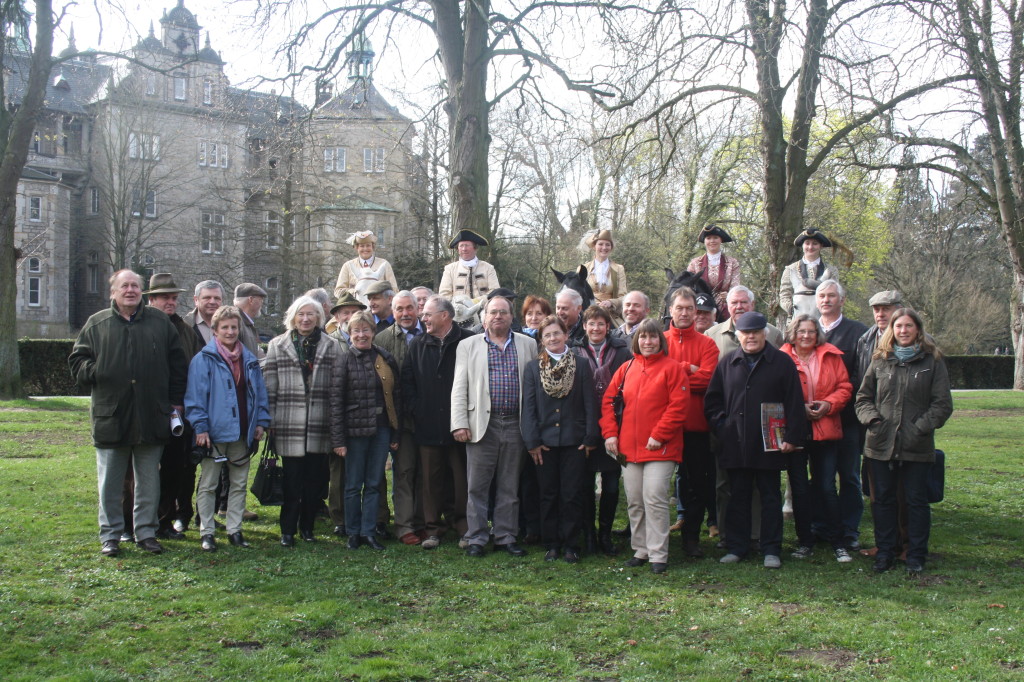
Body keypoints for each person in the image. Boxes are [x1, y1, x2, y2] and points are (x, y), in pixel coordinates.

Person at [69, 269, 189, 557]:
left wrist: (175, 402)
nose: (131, 291)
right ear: (113, 292)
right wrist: (99, 370)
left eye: (135, 286)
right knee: (110, 482)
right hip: (112, 416)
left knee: (149, 480)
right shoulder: (97, 324)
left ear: (141, 292)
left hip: (152, 415)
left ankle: (145, 533)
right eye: (124, 286)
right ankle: (110, 535)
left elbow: (177, 364)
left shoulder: (160, 323)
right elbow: (77, 362)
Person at [704, 311, 808, 569]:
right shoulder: (728, 362)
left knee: (770, 497)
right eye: (745, 333)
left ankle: (770, 548)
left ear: (765, 334)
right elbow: (712, 401)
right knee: (738, 495)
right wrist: (723, 426)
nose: (750, 337)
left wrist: (792, 437)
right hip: (736, 443)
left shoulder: (781, 362)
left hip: (770, 444)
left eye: (755, 332)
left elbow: (794, 401)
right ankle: (737, 547)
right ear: (738, 335)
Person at [856, 308, 953, 575]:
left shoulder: (931, 361)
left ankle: (915, 554)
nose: (903, 331)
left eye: (908, 326)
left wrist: (919, 428)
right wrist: (873, 421)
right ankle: (885, 551)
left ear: (918, 330)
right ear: (892, 330)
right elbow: (863, 398)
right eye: (898, 326)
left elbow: (942, 404)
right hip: (879, 444)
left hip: (916, 446)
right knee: (882, 501)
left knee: (915, 502)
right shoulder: (880, 360)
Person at [600, 318, 689, 575]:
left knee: (654, 498)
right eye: (643, 337)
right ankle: (641, 549)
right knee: (635, 501)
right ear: (636, 341)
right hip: (628, 447)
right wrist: (610, 434)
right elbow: (608, 402)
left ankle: (658, 553)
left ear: (660, 340)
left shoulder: (672, 369)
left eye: (652, 337)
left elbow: (678, 406)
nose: (647, 342)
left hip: (660, 448)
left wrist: (659, 434)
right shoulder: (627, 369)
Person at [451, 295, 538, 557]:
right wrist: (459, 423)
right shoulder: (467, 345)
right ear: (484, 316)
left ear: (512, 317)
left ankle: (505, 536)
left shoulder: (528, 344)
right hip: (481, 425)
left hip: (515, 423)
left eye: (503, 312)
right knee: (477, 486)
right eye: (493, 312)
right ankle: (476, 537)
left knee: (509, 485)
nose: (498, 316)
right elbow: (459, 387)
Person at [185, 306, 270, 551]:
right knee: (209, 483)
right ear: (215, 331)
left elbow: (259, 395)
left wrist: (261, 422)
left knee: (239, 483)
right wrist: (200, 428)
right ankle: (207, 531)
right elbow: (195, 398)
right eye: (225, 327)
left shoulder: (250, 360)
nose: (231, 332)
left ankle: (234, 529)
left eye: (234, 327)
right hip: (213, 433)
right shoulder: (203, 360)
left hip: (243, 431)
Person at [263, 295, 343, 547]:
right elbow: (271, 385)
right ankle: (287, 529)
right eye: (301, 314)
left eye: (311, 314)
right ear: (293, 317)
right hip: (288, 421)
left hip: (320, 422)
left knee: (314, 482)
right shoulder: (278, 344)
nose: (305, 319)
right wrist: (271, 420)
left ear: (319, 318)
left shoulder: (332, 346)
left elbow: (337, 388)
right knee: (291, 481)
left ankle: (307, 528)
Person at [520, 316, 599, 563]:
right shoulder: (533, 368)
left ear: (566, 335)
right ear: (541, 340)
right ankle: (552, 543)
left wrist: (589, 437)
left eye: (556, 333)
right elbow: (529, 408)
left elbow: (590, 403)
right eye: (547, 335)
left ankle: (571, 544)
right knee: (548, 494)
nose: (552, 338)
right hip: (544, 443)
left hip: (575, 442)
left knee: (571, 494)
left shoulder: (582, 365)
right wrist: (532, 442)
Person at [779, 314, 854, 562]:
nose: (806, 336)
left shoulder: (831, 356)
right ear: (793, 333)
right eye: (802, 331)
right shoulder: (782, 357)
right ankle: (805, 541)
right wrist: (798, 408)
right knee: (799, 489)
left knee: (826, 486)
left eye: (811, 331)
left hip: (826, 428)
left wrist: (828, 404)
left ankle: (837, 541)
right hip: (796, 430)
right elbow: (776, 391)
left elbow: (844, 387)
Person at [402, 295, 475, 550]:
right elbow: (407, 381)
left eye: (428, 315)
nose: (423, 319)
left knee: (461, 479)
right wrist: (417, 409)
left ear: (445, 316)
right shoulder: (418, 344)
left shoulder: (468, 340)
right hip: (428, 424)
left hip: (461, 425)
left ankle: (464, 527)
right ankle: (433, 529)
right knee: (431, 481)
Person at [330, 310, 401, 550]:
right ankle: (353, 532)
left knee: (373, 483)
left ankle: (369, 531)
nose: (361, 335)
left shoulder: (384, 357)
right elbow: (336, 403)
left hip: (381, 430)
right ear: (349, 335)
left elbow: (395, 398)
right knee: (352, 484)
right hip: (354, 433)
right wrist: (338, 440)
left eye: (366, 330)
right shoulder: (343, 361)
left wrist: (394, 434)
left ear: (373, 332)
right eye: (356, 331)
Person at [142, 273, 203, 541]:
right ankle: (138, 522)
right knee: (142, 472)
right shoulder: (139, 326)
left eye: (174, 298)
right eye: (165, 297)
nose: (171, 302)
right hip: (145, 410)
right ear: (151, 299)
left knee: (174, 468)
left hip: (180, 412)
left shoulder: (185, 330)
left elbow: (195, 367)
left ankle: (166, 520)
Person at [664, 287, 721, 559]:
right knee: (659, 485)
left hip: (697, 427)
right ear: (671, 310)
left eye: (690, 309)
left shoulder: (708, 344)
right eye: (680, 308)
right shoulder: (660, 340)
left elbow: (708, 380)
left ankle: (691, 537)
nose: (685, 313)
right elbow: (654, 380)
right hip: (663, 426)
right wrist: (688, 369)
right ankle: (654, 537)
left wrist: (672, 374)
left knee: (696, 484)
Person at [814, 279, 868, 549]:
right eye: (822, 296)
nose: (826, 300)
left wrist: (836, 401)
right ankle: (822, 527)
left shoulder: (858, 332)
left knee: (848, 476)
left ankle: (849, 529)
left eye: (831, 296)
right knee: (822, 479)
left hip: (846, 419)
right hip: (816, 421)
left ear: (842, 300)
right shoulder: (808, 330)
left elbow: (861, 375)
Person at [575, 305, 632, 555]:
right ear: (584, 326)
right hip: (584, 423)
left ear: (608, 327)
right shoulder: (575, 350)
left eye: (601, 324)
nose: (596, 328)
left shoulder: (622, 351)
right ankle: (589, 534)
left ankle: (606, 534)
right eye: (591, 324)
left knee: (610, 485)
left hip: (614, 424)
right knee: (585, 484)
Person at [373, 290, 426, 545]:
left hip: (427, 418)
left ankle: (422, 521)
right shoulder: (382, 339)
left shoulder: (430, 333)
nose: (405, 314)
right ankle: (404, 526)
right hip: (399, 420)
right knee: (404, 472)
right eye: (399, 309)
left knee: (424, 473)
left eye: (409, 308)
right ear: (393, 312)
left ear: (418, 309)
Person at [780, 228, 840, 320]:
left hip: (824, 317)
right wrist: (792, 308)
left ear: (821, 246)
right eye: (807, 243)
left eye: (815, 244)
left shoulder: (831, 270)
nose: (810, 247)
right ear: (803, 246)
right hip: (797, 317)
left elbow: (835, 294)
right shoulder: (790, 269)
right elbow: (784, 295)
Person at [706, 286, 785, 356]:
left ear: (752, 304)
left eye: (744, 302)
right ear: (727, 306)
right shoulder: (711, 335)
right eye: (734, 303)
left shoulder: (773, 334)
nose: (739, 307)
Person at [687, 224, 742, 321]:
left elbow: (736, 287)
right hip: (700, 308)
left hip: (725, 307)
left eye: (715, 238)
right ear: (704, 241)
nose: (712, 241)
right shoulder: (694, 263)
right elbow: (688, 288)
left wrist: (729, 295)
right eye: (708, 238)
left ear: (721, 240)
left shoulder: (733, 263)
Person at [333, 230, 398, 299]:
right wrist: (355, 292)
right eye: (362, 246)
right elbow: (338, 291)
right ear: (357, 248)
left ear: (373, 247)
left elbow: (394, 290)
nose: (365, 249)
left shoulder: (384, 264)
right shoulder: (348, 266)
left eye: (368, 245)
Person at [439, 229, 500, 300]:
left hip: (484, 309)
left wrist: (477, 302)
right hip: (458, 310)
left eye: (467, 245)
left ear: (475, 248)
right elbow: (444, 294)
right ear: (458, 249)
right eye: (461, 246)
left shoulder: (488, 268)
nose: (464, 249)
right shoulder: (449, 269)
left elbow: (495, 292)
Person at [582, 229, 627, 322]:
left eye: (607, 244)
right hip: (587, 313)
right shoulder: (583, 269)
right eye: (601, 244)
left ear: (611, 247)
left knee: (625, 334)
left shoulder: (619, 269)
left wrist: (610, 302)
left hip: (610, 314)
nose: (604, 247)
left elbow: (624, 296)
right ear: (594, 246)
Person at [182, 280, 224, 345]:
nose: (212, 302)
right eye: (207, 298)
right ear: (196, 300)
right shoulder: (184, 326)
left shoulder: (233, 326)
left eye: (217, 298)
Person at [233, 283, 267, 359]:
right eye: (261, 300)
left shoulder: (245, 323)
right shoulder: (236, 323)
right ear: (251, 300)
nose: (262, 304)